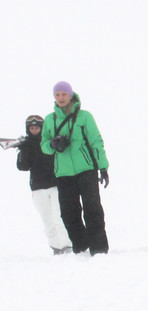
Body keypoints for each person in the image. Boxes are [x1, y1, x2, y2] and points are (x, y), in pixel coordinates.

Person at [41, 82, 110, 255]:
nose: (61, 98)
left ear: (71, 95)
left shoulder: (85, 116)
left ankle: (99, 248)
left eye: (64, 94)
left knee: (92, 208)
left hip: (86, 168)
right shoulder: (50, 120)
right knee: (68, 212)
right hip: (63, 172)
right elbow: (43, 146)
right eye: (57, 95)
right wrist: (52, 144)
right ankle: (81, 247)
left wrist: (102, 167)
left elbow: (96, 141)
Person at [16, 114, 71, 254]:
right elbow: (22, 166)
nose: (35, 130)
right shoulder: (26, 145)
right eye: (32, 128)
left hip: (55, 184)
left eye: (37, 128)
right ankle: (56, 247)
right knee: (47, 221)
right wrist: (22, 150)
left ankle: (67, 245)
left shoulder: (49, 141)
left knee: (60, 217)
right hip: (38, 187)